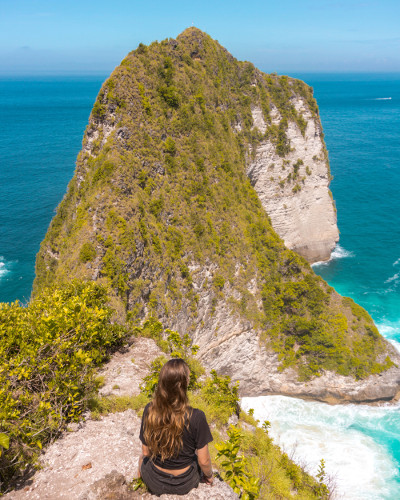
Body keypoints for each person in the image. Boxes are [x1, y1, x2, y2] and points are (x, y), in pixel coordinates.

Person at [138, 358, 214, 495]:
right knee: (195, 453)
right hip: (185, 483)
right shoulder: (197, 416)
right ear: (183, 384)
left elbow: (146, 452)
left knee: (141, 458)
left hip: (155, 481)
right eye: (188, 377)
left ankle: (137, 487)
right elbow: (204, 461)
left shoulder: (150, 410)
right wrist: (209, 476)